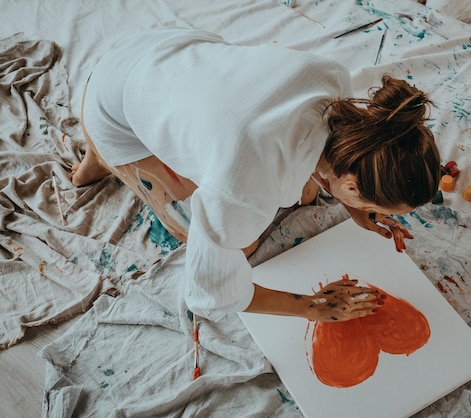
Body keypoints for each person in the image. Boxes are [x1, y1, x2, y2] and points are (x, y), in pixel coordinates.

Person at [72, 27, 441, 323]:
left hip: (164, 45)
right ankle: (101, 152)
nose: (382, 217)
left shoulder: (333, 80)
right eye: (383, 209)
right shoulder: (243, 189)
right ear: (349, 185)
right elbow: (208, 294)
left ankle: (101, 147)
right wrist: (312, 307)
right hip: (116, 102)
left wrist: (356, 206)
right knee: (233, 243)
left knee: (304, 195)